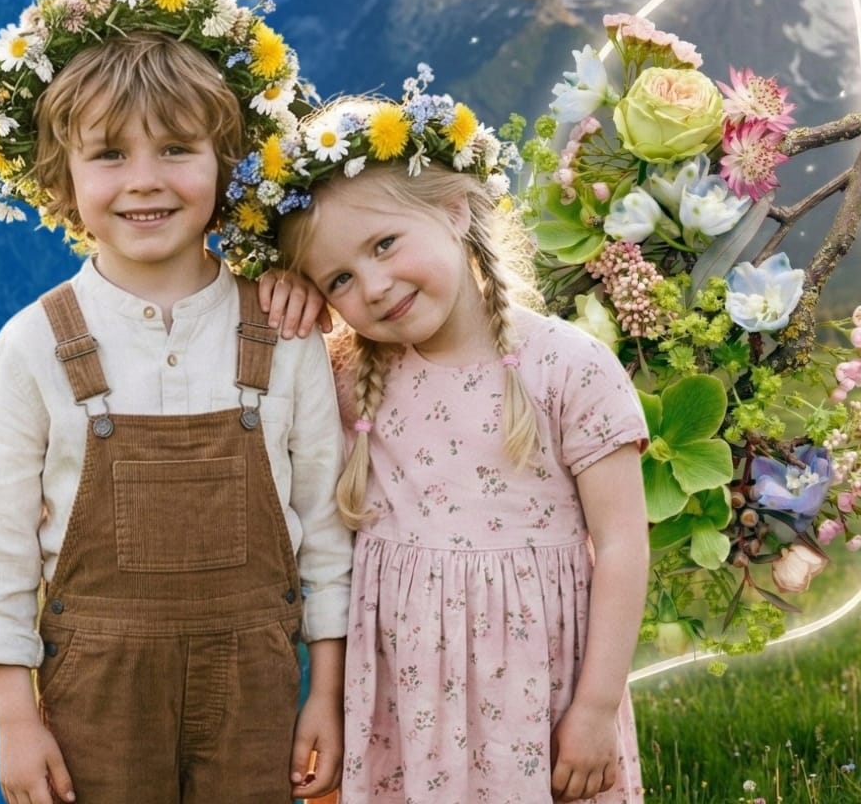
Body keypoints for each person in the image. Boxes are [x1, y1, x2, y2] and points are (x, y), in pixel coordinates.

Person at [0, 0, 348, 803]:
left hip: (259, 694)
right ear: (61, 181)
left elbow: (326, 528)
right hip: (95, 699)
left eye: (177, 148)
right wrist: (16, 722)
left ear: (225, 161)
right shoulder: (32, 346)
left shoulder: (285, 333)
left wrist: (330, 698)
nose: (145, 180)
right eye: (108, 155)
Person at [260, 88, 650, 802]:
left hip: (541, 692)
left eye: (384, 245)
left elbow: (623, 544)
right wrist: (285, 292)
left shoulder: (567, 367)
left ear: (453, 210)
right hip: (405, 705)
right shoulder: (343, 379)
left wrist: (595, 708)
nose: (373, 287)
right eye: (339, 279)